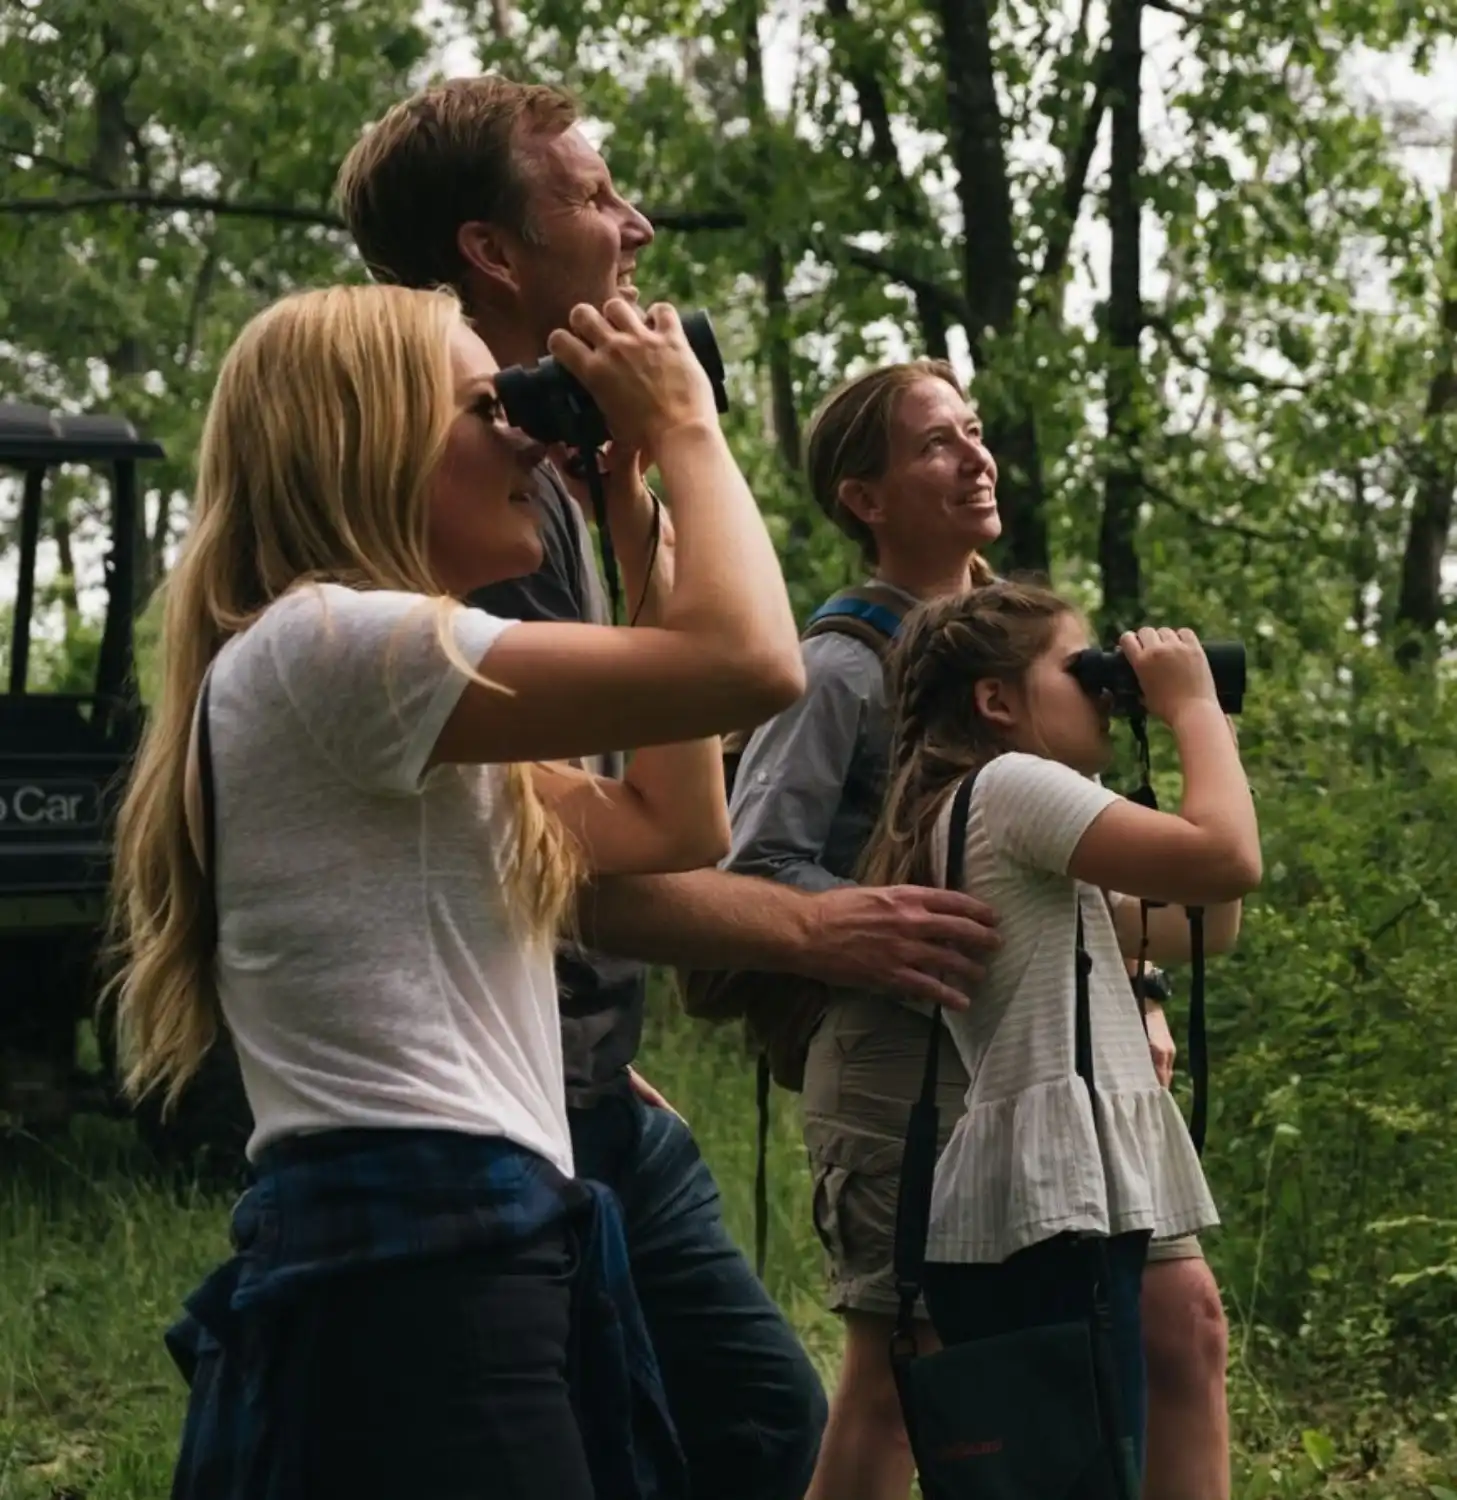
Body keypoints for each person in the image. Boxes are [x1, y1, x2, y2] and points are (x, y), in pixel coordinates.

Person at [334, 74, 1002, 1499]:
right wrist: (817, 930)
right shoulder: (456, 509)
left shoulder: (547, 479)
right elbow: (621, 813)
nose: (633, 225)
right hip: (493, 1119)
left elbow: (589, 824)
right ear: (492, 253)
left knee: (742, 1430)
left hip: (579, 1083)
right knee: (738, 1436)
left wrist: (636, 500)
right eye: (589, 195)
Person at [105, 283, 807, 1499]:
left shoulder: (371, 687)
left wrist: (632, 516)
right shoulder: (335, 647)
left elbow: (671, 823)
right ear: (367, 436)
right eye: (491, 407)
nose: (529, 438)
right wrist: (687, 421)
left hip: (454, 1250)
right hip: (419, 1262)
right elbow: (749, 664)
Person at [725, 360, 1234, 1500]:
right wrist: (871, 921)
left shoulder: (1030, 649)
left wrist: (1140, 994)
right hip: (897, 1060)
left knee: (1183, 1325)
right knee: (901, 1388)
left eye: (975, 432)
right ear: (865, 495)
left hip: (1045, 1061)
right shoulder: (835, 669)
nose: (975, 455)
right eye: (936, 444)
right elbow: (748, 865)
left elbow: (1077, 874)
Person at [861, 586, 1260, 1480]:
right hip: (1053, 1198)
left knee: (1079, 1464)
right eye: (1080, 671)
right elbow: (1229, 858)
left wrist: (1208, 740)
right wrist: (1191, 705)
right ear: (996, 701)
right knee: (1084, 1465)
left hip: (1062, 1191)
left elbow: (1205, 921)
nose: (1104, 693)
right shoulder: (1008, 787)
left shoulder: (1012, 816)